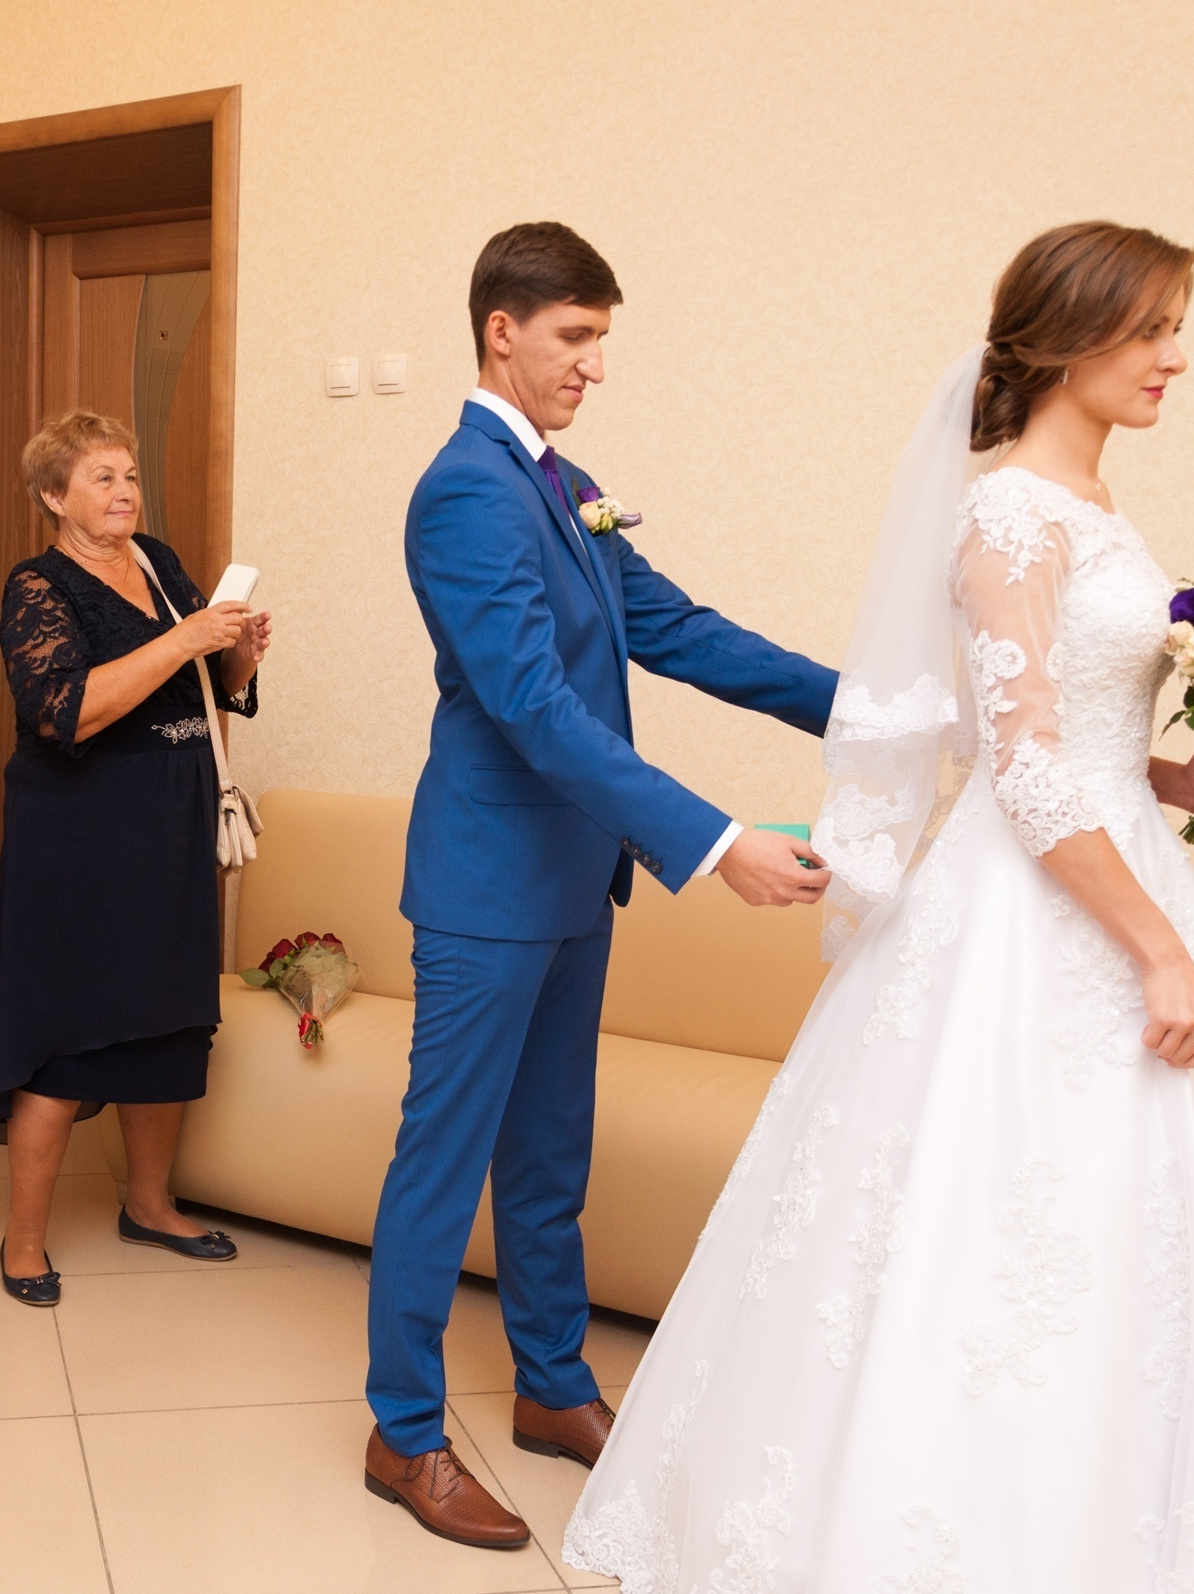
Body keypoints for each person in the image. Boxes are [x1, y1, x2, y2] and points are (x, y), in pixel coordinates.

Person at [564, 224, 1194, 1589]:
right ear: (1069, 339)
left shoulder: (1100, 508)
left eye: (1175, 328)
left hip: (1119, 863)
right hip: (1040, 917)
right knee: (985, 1232)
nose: (1175, 358)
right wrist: (1159, 955)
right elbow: (1017, 770)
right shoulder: (1006, 510)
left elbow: (1074, 734)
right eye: (1151, 332)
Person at [367, 223, 840, 1549]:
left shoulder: (568, 486)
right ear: (500, 330)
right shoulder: (464, 490)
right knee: (440, 1163)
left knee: (548, 1157)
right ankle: (402, 1431)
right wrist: (711, 836)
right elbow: (528, 702)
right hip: (484, 879)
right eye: (574, 338)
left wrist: (865, 711)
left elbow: (678, 630)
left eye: (600, 341)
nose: (592, 365)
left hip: (575, 878)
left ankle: (551, 1384)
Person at [0, 411, 273, 1308]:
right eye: (102, 477)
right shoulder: (36, 585)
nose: (125, 491)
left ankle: (149, 1205)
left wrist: (238, 658)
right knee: (65, 1033)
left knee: (169, 1019)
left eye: (130, 474)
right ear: (53, 496)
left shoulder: (159, 562)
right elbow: (67, 711)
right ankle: (24, 1242)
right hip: (80, 837)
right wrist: (183, 639)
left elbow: (210, 692)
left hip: (170, 824)